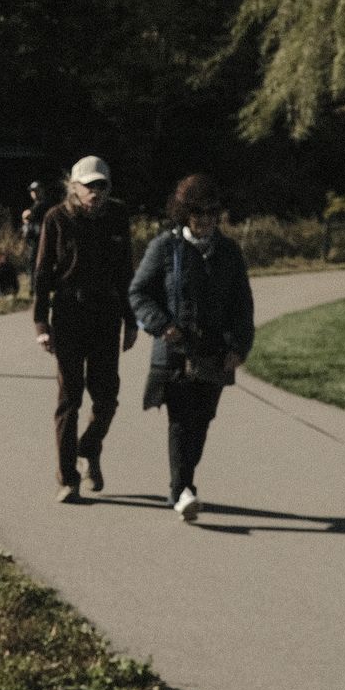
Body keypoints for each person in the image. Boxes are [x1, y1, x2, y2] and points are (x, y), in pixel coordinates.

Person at [128, 174, 255, 523]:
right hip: (174, 352)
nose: (205, 221)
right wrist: (161, 324)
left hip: (215, 353)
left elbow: (242, 305)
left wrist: (240, 347)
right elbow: (138, 293)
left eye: (211, 213)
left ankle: (183, 484)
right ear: (184, 214)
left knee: (203, 420)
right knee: (181, 421)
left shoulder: (229, 252)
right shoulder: (164, 248)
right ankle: (181, 489)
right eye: (198, 214)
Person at [33, 156, 138, 502]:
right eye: (88, 186)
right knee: (70, 399)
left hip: (106, 314)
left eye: (101, 186)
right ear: (73, 187)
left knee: (107, 398)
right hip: (68, 313)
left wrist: (131, 320)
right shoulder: (56, 218)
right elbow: (42, 273)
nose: (95, 193)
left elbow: (126, 272)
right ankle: (68, 478)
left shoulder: (117, 217)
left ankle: (89, 447)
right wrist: (41, 322)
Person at [20, 179, 55, 291]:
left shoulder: (43, 204)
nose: (34, 193)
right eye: (32, 191)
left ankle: (36, 288)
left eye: (36, 190)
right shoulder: (37, 204)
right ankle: (36, 287)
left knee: (36, 264)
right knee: (34, 264)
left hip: (40, 239)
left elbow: (27, 215)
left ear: (42, 191)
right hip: (35, 239)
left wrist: (25, 216)